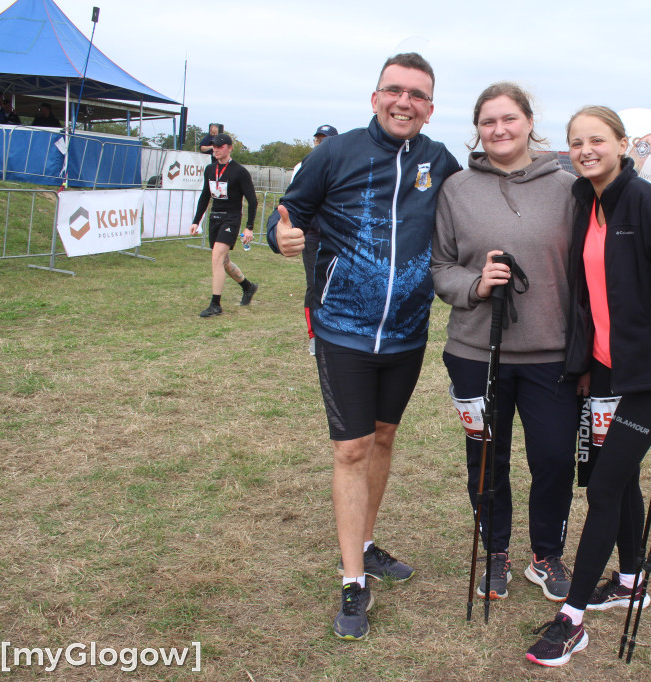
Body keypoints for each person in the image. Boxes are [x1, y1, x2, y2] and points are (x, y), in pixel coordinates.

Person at [267, 53, 462, 641]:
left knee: (382, 438)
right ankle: (353, 580)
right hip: (343, 329)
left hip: (406, 332)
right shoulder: (336, 153)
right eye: (394, 91)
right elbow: (290, 209)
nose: (405, 102)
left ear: (431, 107)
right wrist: (282, 233)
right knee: (350, 448)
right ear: (375, 97)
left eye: (418, 95)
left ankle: (367, 543)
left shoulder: (440, 162)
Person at [525, 106, 651, 667]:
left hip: (649, 373)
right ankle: (630, 580)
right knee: (619, 478)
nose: (585, 150)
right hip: (603, 368)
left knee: (603, 489)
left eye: (597, 140)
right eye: (576, 142)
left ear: (622, 144)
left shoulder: (646, 200)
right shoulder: (586, 200)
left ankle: (573, 618)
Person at [432, 82, 578, 604]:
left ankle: (547, 553)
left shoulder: (567, 186)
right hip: (476, 351)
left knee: (556, 458)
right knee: (487, 459)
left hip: (552, 353)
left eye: (509, 119)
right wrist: (474, 285)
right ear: (477, 129)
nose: (499, 129)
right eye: (488, 121)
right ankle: (495, 552)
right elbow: (440, 266)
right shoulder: (456, 189)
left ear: (528, 121)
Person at [189, 132, 259, 317]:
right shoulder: (210, 169)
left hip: (231, 218)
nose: (216, 150)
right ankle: (248, 286)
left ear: (229, 148)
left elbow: (252, 201)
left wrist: (249, 227)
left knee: (217, 257)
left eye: (220, 147)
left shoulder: (239, 171)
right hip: (215, 218)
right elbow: (205, 196)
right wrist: (196, 220)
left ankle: (215, 304)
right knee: (224, 261)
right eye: (214, 146)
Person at [289, 124, 339, 356]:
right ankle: (314, 336)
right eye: (318, 140)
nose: (321, 144)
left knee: (338, 284)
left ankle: (336, 331)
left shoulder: (344, 165)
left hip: (337, 235)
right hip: (311, 236)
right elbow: (294, 201)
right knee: (313, 285)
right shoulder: (303, 166)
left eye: (326, 140)